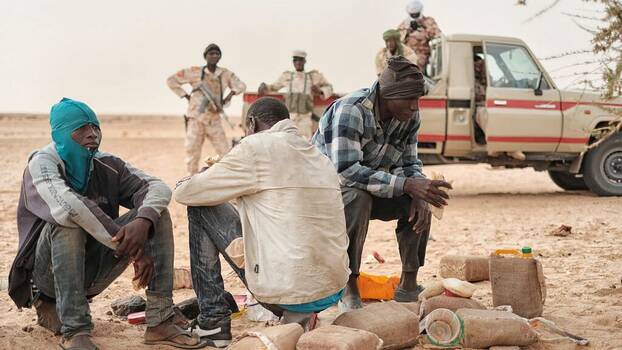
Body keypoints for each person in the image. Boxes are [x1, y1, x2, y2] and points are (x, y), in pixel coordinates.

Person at [7, 98, 204, 349]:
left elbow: (157, 187)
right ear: (62, 134)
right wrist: (135, 248)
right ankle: (75, 330)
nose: (92, 134)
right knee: (67, 222)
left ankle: (160, 320)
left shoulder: (105, 163)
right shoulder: (42, 164)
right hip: (46, 280)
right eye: (81, 129)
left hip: (91, 272)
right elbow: (70, 206)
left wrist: (143, 222)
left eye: (95, 127)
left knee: (157, 214)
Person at [174, 97, 349, 347]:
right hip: (331, 288)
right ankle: (303, 316)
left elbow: (186, 193)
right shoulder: (316, 153)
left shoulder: (254, 147)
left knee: (200, 209)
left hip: (289, 292)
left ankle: (213, 323)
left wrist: (201, 177)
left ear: (252, 123)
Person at [312, 57, 452, 310]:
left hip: (372, 185)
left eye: (417, 99)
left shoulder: (409, 116)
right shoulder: (350, 110)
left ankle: (408, 284)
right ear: (388, 95)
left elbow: (409, 163)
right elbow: (345, 171)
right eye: (409, 99)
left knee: (420, 198)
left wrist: (418, 190)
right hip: (329, 194)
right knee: (357, 197)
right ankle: (349, 285)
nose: (414, 107)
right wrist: (407, 185)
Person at [167, 43, 246, 175]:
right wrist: (186, 96)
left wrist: (230, 95)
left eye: (217, 53)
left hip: (214, 119)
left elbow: (241, 85)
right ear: (205, 56)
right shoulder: (195, 72)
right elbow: (171, 81)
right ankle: (191, 183)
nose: (214, 56)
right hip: (196, 118)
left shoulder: (225, 74)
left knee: (225, 153)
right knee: (192, 154)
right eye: (211, 53)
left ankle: (227, 179)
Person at [258, 50, 333, 139]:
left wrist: (320, 90)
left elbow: (329, 88)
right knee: (286, 142)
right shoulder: (287, 76)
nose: (298, 62)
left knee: (305, 144)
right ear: (293, 62)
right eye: (295, 60)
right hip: (289, 117)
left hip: (305, 119)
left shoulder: (313, 76)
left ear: (304, 61)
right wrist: (264, 86)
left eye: (300, 60)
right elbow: (273, 87)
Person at [472, 54, 526, 160]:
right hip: (478, 107)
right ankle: (501, 147)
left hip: (489, 104)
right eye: (477, 66)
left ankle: (511, 147)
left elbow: (492, 88)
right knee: (486, 114)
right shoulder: (470, 79)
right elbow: (478, 95)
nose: (479, 68)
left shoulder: (486, 79)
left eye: (481, 65)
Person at [398, 0, 442, 71]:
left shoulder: (428, 21)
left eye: (416, 14)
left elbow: (438, 35)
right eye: (412, 15)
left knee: (416, 68)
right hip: (406, 55)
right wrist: (407, 30)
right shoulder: (404, 24)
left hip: (422, 55)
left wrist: (424, 28)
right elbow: (397, 40)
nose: (414, 16)